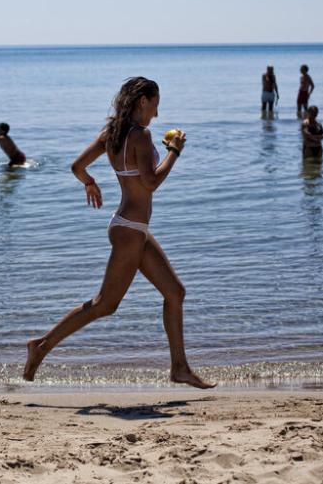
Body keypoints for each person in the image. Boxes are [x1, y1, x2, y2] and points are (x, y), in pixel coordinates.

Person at [23, 76, 215, 389]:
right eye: (155, 102)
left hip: (130, 227)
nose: (157, 110)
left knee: (175, 293)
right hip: (129, 230)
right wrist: (174, 151)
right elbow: (151, 183)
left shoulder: (111, 134)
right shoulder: (140, 135)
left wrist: (90, 182)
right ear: (143, 101)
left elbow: (77, 166)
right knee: (104, 305)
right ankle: (41, 346)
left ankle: (180, 368)